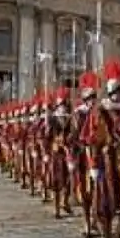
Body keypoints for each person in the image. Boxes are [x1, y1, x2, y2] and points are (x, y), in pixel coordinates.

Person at [81, 60, 120, 238]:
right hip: (106, 161)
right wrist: (94, 163)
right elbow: (92, 139)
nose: (119, 95)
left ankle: (119, 235)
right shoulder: (99, 112)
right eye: (116, 91)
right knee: (107, 204)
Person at [69, 72, 100, 238]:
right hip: (83, 156)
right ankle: (87, 221)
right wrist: (73, 157)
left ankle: (96, 220)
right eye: (90, 98)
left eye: (94, 97)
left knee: (100, 191)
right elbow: (72, 138)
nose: (92, 101)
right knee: (86, 192)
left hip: (98, 156)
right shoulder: (78, 115)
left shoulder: (99, 113)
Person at [43, 87, 73, 219]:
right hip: (56, 154)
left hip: (68, 153)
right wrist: (46, 152)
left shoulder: (71, 120)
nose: (63, 108)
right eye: (61, 105)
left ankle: (65, 201)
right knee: (56, 182)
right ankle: (56, 209)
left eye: (65, 105)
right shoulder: (52, 120)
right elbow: (47, 137)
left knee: (69, 180)